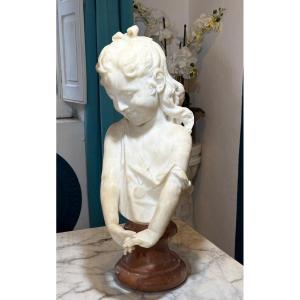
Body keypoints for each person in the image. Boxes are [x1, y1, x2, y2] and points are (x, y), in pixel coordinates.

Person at [96, 25, 194, 255]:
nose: (120, 106)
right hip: (132, 226)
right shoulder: (115, 134)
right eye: (113, 96)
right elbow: (109, 180)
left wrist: (153, 232)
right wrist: (112, 225)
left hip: (157, 230)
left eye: (129, 95)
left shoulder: (178, 138)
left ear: (158, 81)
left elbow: (172, 185)